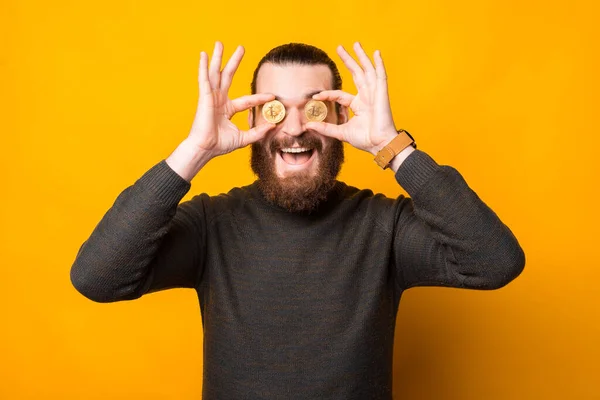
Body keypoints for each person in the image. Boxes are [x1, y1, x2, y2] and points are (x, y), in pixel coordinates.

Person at [70, 41, 525, 399]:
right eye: (274, 108)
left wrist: (392, 146)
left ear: (342, 117)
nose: (292, 129)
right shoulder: (212, 225)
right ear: (251, 119)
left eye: (312, 107)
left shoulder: (384, 227)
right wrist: (194, 151)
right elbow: (97, 278)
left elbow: (496, 262)